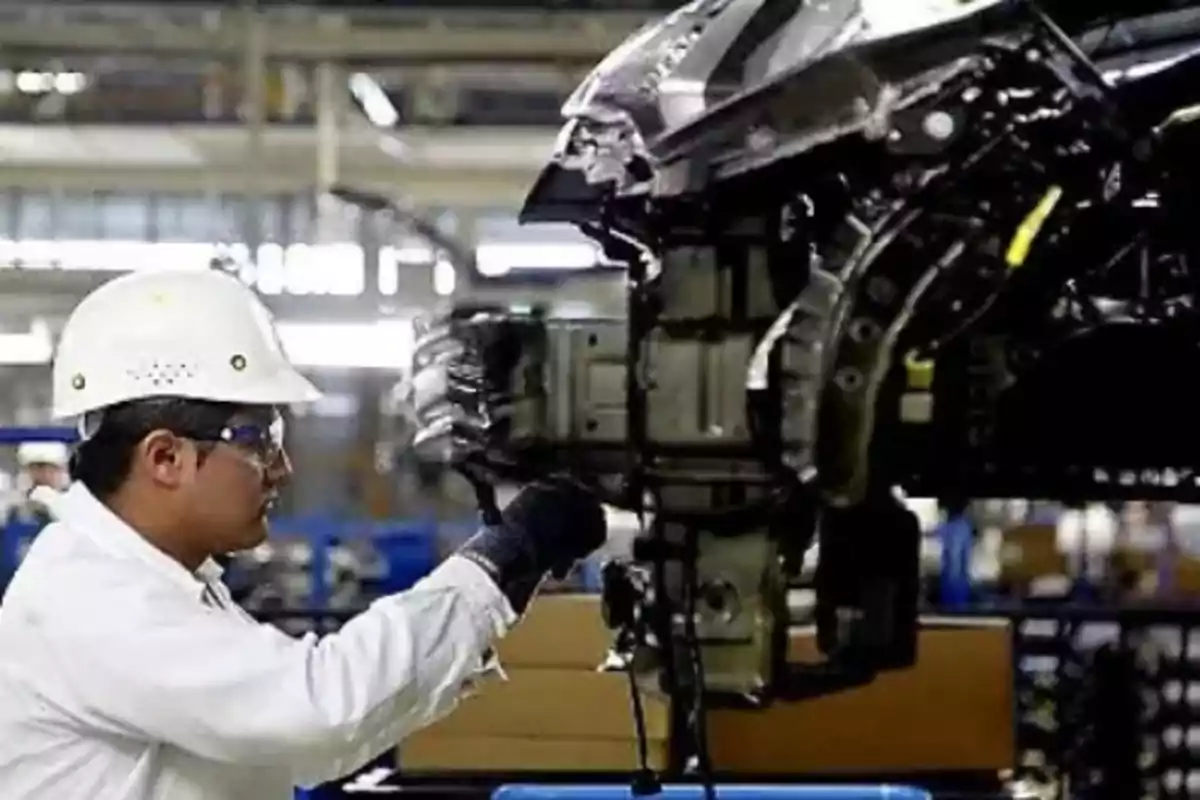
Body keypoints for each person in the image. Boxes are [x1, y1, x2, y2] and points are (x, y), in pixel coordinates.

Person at [0, 269, 607, 800]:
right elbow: (318, 709)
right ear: (165, 458)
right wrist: (500, 563)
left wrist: (503, 581)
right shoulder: (91, 598)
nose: (282, 469)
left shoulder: (163, 582)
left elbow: (305, 751)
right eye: (258, 439)